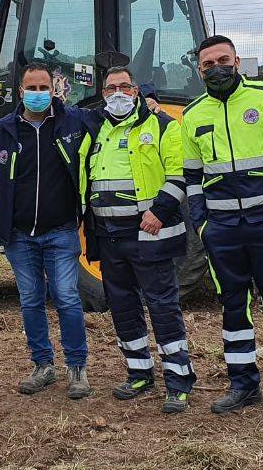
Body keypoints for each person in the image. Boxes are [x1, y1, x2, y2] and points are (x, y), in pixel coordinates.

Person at [180, 35, 263, 426]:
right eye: (208, 64)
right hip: (222, 231)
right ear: (199, 69)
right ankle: (243, 385)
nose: (216, 68)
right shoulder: (193, 114)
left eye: (223, 60)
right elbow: (191, 177)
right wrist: (202, 224)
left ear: (236, 60)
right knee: (233, 309)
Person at [83, 67, 196, 413]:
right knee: (123, 307)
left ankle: (178, 381)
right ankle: (139, 372)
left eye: (124, 87)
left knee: (162, 305)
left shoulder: (162, 126)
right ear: (103, 94)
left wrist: (159, 211)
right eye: (111, 88)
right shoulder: (94, 129)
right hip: (108, 236)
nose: (118, 93)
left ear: (135, 90)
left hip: (149, 232)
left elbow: (180, 174)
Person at [0, 61, 93, 399]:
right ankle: (43, 365)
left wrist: (147, 99)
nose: (37, 94)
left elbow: (113, 118)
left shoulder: (73, 121)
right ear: (20, 91)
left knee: (66, 296)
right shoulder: (2, 129)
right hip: (19, 234)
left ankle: (77, 367)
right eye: (31, 88)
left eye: (43, 87)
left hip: (61, 230)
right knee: (30, 299)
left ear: (54, 88)